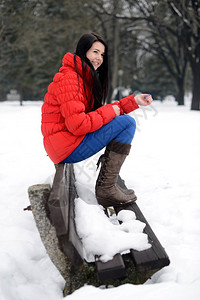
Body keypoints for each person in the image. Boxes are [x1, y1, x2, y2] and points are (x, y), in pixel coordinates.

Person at [41, 32, 153, 208]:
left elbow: (96, 115)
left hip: (65, 143)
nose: (99, 58)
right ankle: (106, 188)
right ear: (83, 51)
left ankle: (107, 186)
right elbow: (78, 125)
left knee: (123, 121)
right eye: (95, 52)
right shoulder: (70, 78)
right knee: (127, 123)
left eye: (102, 54)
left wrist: (132, 101)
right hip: (67, 146)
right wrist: (115, 110)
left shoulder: (80, 77)